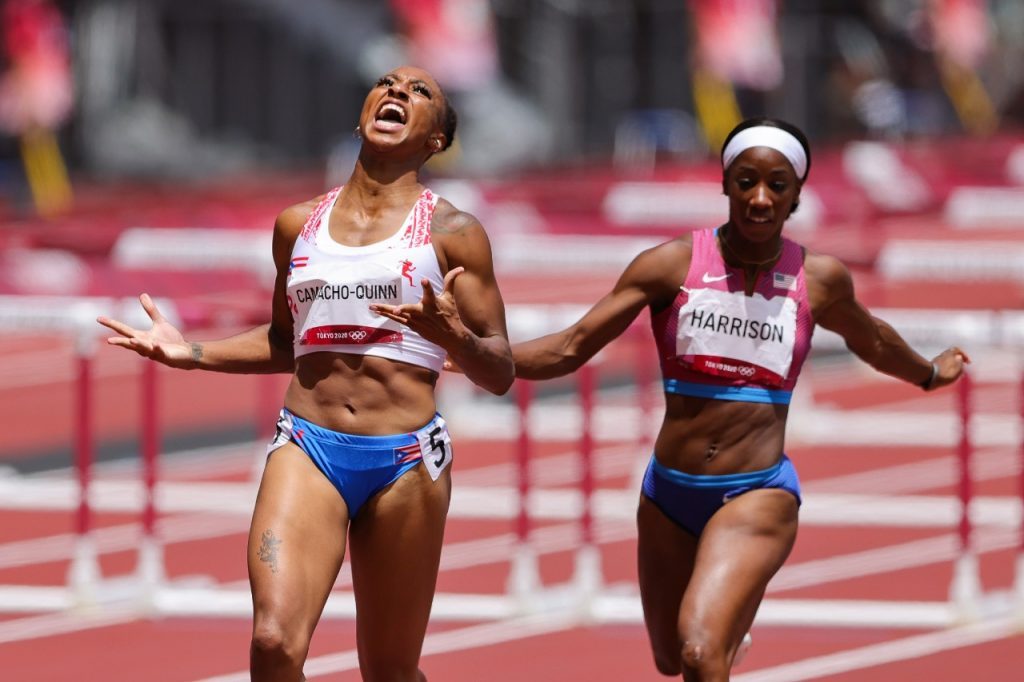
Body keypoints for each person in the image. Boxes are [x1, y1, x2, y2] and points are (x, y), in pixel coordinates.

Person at [508, 118, 969, 681]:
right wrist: (470, 351)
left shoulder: (817, 279)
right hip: (668, 494)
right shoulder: (671, 265)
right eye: (746, 180)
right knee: (671, 659)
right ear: (725, 183)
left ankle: (718, 633)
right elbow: (571, 347)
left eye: (777, 185)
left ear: (797, 195)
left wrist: (927, 373)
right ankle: (725, 630)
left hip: (757, 493)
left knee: (700, 652)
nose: (759, 198)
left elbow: (871, 339)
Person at [98, 65, 514, 682]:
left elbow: (500, 368)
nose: (398, 91)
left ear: (437, 142)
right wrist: (192, 353)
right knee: (272, 643)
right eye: (388, 82)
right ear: (362, 113)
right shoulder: (298, 226)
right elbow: (284, 341)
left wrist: (453, 336)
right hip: (309, 446)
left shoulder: (454, 234)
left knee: (390, 671)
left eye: (421, 92)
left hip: (405, 462)